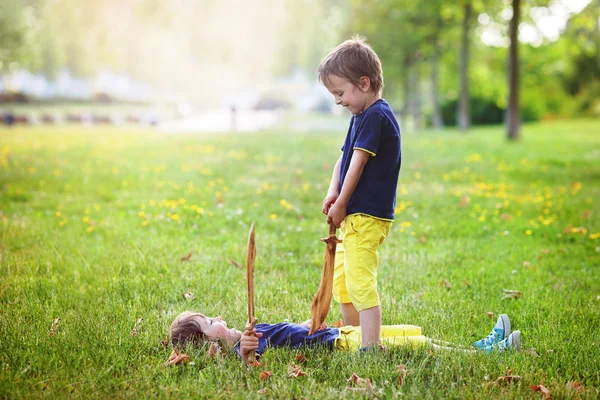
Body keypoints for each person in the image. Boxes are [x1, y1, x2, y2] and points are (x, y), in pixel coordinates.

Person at [316, 36, 401, 350]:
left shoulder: (377, 116)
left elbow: (360, 161)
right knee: (343, 283)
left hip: (368, 215)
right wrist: (332, 191)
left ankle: (370, 346)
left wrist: (342, 202)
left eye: (340, 92)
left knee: (360, 281)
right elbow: (344, 157)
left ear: (364, 83)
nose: (337, 100)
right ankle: (353, 337)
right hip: (353, 215)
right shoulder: (360, 116)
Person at [168, 311, 521, 362]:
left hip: (338, 331)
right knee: (420, 346)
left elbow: (287, 336)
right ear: (209, 346)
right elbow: (251, 362)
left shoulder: (248, 334)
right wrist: (243, 354)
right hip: (342, 343)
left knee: (416, 334)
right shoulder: (243, 348)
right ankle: (488, 355)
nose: (216, 317)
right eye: (207, 322)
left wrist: (309, 322)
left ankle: (476, 348)